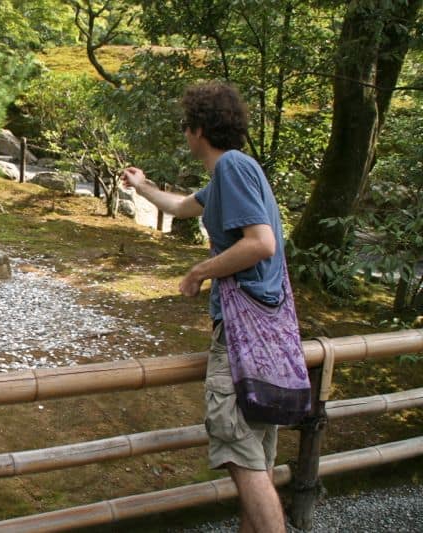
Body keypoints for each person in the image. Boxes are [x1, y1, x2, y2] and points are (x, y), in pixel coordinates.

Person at [122, 81, 287, 533]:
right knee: (257, 455)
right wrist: (142, 186)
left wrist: (200, 271)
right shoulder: (238, 172)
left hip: (240, 332)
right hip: (269, 332)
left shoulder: (231, 169)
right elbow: (178, 206)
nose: (184, 133)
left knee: (240, 455)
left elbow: (261, 244)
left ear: (199, 129)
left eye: (185, 125)